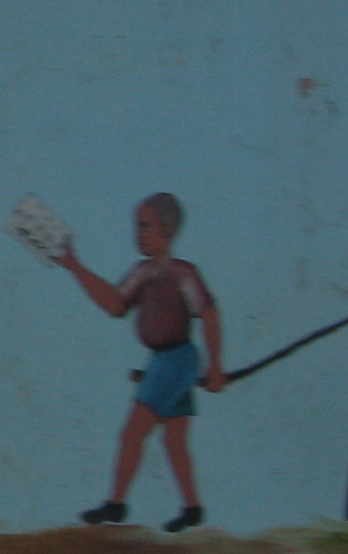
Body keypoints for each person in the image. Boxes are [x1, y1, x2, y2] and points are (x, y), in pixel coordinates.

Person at [50, 191, 227, 532]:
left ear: (167, 229)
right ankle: (193, 508)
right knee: (174, 439)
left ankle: (116, 504)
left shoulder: (182, 274)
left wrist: (215, 366)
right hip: (162, 362)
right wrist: (74, 266)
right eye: (137, 226)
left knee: (133, 433)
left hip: (177, 361)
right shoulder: (143, 273)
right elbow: (115, 305)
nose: (139, 233)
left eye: (145, 226)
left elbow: (208, 313)